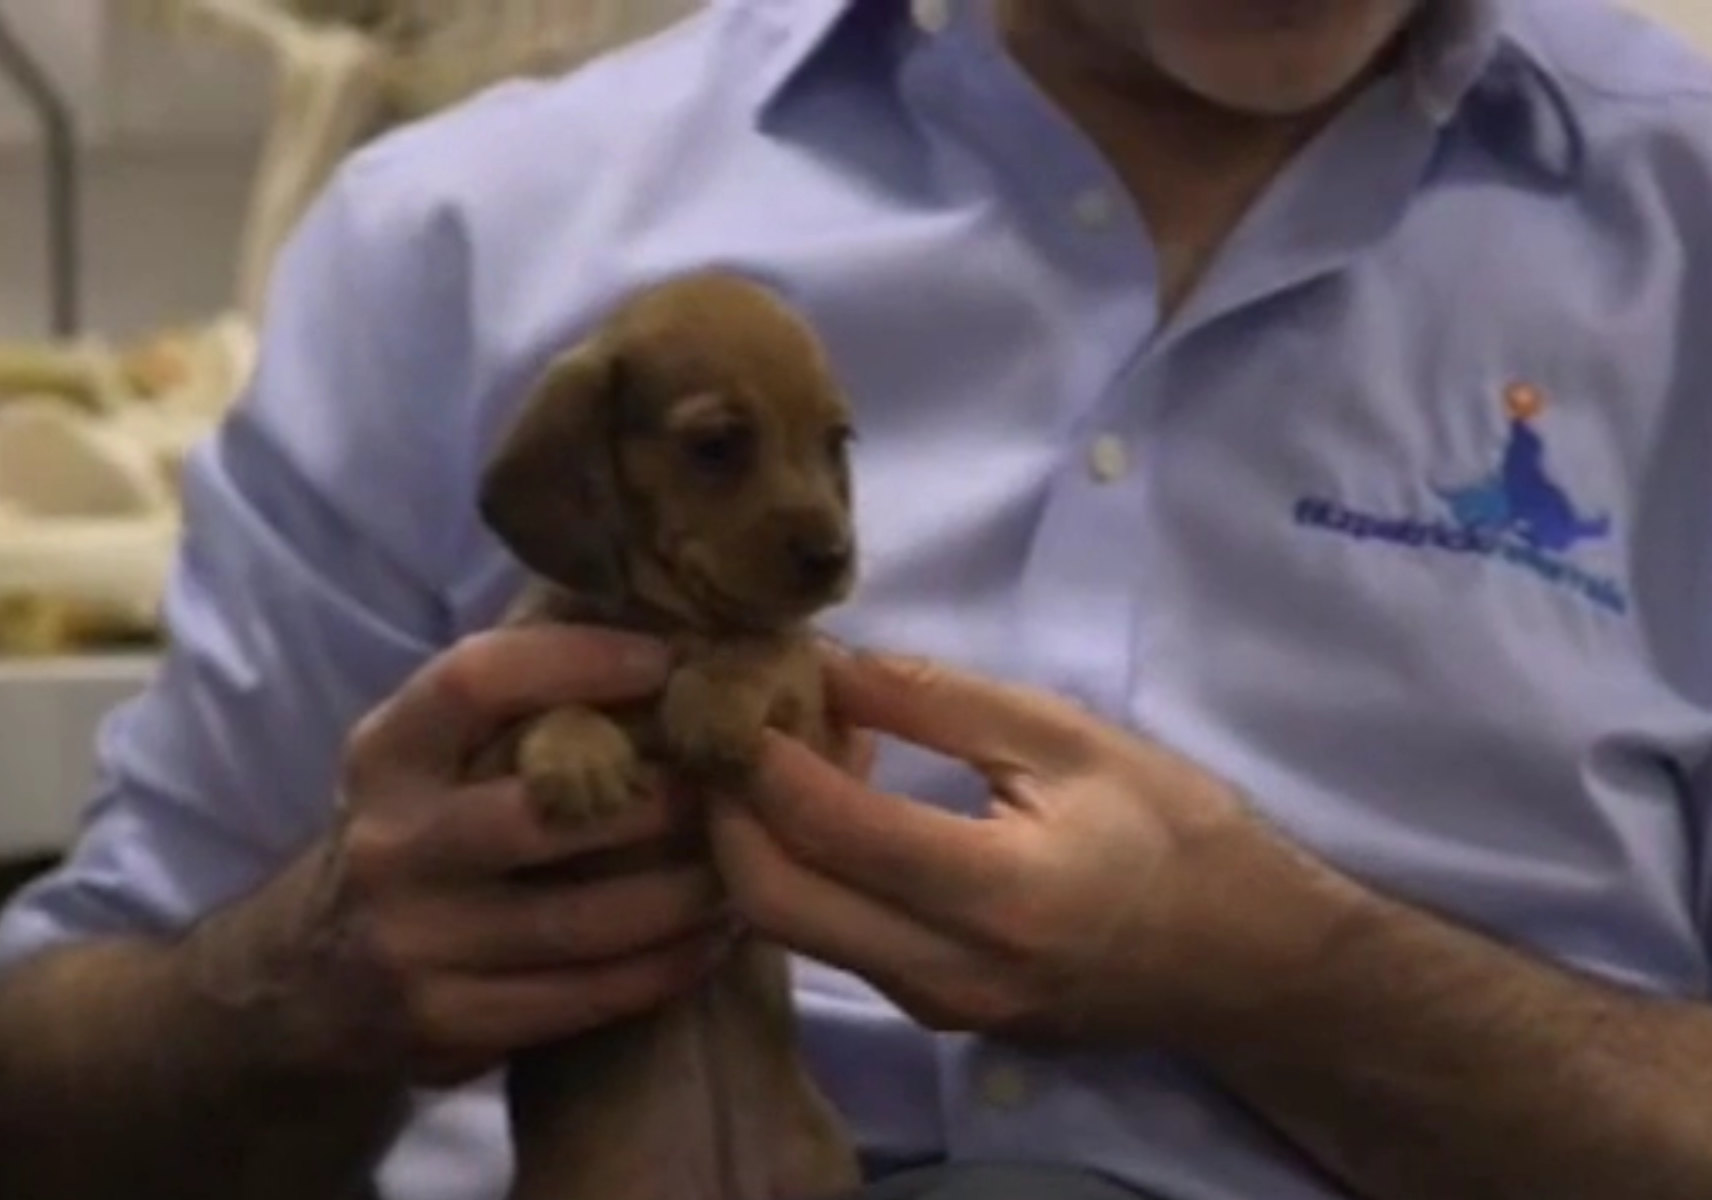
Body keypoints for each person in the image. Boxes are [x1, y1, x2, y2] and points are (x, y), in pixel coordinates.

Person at [3, 0, 1712, 1197]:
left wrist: (1276, 974)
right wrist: (300, 986)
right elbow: (51, 1108)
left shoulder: (1679, 220)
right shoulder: (466, 236)